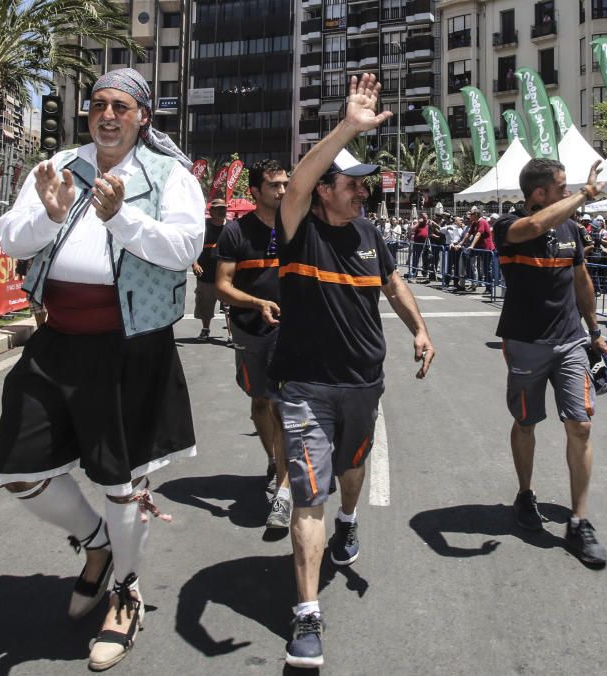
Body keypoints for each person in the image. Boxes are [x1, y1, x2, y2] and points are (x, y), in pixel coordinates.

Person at [0, 67, 203, 671]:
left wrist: (120, 219)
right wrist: (49, 216)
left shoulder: (169, 174)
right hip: (57, 340)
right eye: (97, 105)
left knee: (122, 482)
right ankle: (98, 544)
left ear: (142, 117)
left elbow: (185, 248)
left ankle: (126, 594)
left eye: (120, 106)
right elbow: (11, 238)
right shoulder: (61, 164)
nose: (106, 115)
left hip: (130, 344)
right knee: (18, 470)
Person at [271, 73, 435, 668]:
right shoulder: (297, 229)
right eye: (351, 183)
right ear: (323, 191)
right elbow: (296, 185)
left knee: (353, 469)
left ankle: (350, 521)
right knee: (307, 493)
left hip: (364, 383)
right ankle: (307, 614)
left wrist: (419, 327)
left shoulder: (369, 233)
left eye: (364, 184)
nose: (362, 192)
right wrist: (346, 126)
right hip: (306, 389)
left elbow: (393, 284)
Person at [493, 157, 607, 567]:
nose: (568, 191)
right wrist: (584, 195)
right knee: (526, 422)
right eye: (562, 186)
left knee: (580, 425)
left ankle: (579, 521)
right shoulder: (506, 225)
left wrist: (595, 331)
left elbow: (582, 280)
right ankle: (525, 493)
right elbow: (534, 227)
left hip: (570, 341)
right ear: (539, 193)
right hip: (525, 342)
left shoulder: (571, 228)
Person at [215, 160, 291, 530]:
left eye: (285, 184)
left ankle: (283, 487)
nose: (282, 191)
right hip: (248, 330)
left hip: (290, 331)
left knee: (282, 403)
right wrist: (257, 304)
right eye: (274, 185)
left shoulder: (296, 226)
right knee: (259, 401)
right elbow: (223, 286)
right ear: (255, 192)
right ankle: (274, 460)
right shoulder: (235, 232)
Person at [193, 198, 232, 341]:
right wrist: (195, 264)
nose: (222, 211)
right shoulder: (203, 228)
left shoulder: (232, 227)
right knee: (205, 305)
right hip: (206, 274)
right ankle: (205, 329)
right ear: (211, 211)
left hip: (227, 276)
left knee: (230, 307)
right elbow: (193, 248)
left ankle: (231, 335)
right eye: (219, 209)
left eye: (224, 208)